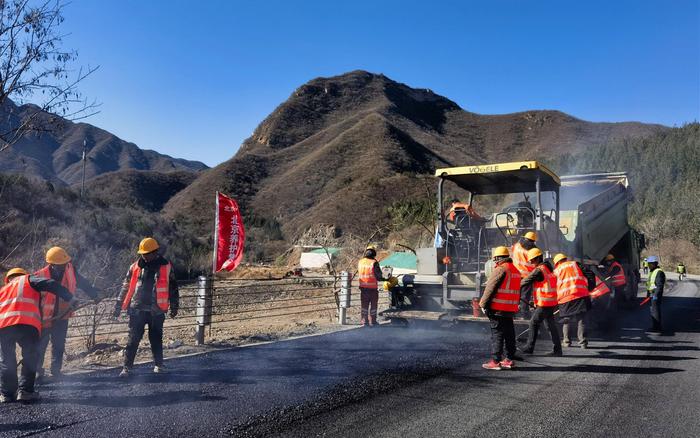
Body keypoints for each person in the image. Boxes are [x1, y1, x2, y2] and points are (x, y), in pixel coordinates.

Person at [0, 268, 76, 403]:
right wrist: (69, 297)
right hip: (27, 323)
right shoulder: (28, 280)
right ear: (23, 275)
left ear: (8, 279)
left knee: (7, 360)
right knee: (30, 357)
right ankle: (25, 392)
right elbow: (50, 283)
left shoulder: (3, 290)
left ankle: (6, 394)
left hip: (4, 327)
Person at [113, 237, 179, 377]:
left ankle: (159, 365)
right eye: (142, 253)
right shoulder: (134, 267)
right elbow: (125, 287)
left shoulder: (166, 266)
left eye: (147, 253)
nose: (144, 256)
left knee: (156, 339)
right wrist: (118, 304)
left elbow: (173, 287)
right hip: (137, 309)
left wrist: (174, 305)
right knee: (133, 339)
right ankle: (127, 368)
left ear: (155, 252)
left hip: (157, 310)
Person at [34, 246, 100, 382]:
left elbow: (83, 283)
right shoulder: (39, 276)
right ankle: (37, 373)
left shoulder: (71, 270)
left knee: (59, 345)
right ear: (51, 265)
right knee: (40, 346)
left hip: (62, 316)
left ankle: (56, 372)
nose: (64, 267)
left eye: (64, 264)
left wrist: (94, 294)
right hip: (45, 319)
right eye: (60, 265)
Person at [479, 246, 521, 370]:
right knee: (509, 333)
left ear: (498, 258)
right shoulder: (515, 271)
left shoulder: (501, 269)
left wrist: (483, 304)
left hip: (497, 308)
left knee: (497, 334)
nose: (495, 262)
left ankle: (495, 361)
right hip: (510, 308)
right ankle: (508, 359)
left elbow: (490, 288)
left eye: (495, 260)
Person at [519, 248, 562, 356]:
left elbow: (526, 281)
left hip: (545, 303)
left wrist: (514, 286)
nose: (531, 262)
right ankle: (558, 350)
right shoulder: (548, 268)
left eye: (532, 260)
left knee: (533, 322)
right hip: (551, 301)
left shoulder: (539, 270)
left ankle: (529, 347)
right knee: (550, 326)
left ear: (538, 258)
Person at [552, 254, 591, 349]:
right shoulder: (575, 264)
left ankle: (566, 342)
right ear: (565, 259)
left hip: (565, 298)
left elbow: (552, 286)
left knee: (566, 320)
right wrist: (590, 287)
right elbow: (590, 274)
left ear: (557, 263)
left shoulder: (556, 271)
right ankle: (583, 343)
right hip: (580, 295)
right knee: (581, 319)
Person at [357, 245, 384, 327]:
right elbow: (379, 277)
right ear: (374, 253)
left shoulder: (360, 262)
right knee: (373, 306)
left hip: (363, 288)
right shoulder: (374, 263)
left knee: (364, 306)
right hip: (372, 289)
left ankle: (364, 321)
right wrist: (386, 278)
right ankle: (373, 321)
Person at [646, 256, 665, 332]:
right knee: (653, 311)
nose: (649, 265)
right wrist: (648, 294)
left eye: (650, 264)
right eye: (648, 264)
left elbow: (660, 285)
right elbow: (650, 284)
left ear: (655, 264)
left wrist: (655, 295)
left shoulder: (659, 272)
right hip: (652, 294)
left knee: (655, 311)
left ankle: (657, 328)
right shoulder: (652, 271)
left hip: (655, 295)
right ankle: (655, 327)